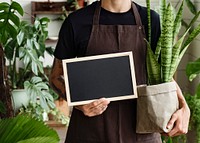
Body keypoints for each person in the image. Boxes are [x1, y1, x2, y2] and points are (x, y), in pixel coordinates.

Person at [50, 0, 190, 142]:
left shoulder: (150, 20)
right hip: (90, 131)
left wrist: (184, 106)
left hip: (141, 133)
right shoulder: (76, 21)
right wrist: (79, 104)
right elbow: (56, 77)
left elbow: (164, 76)